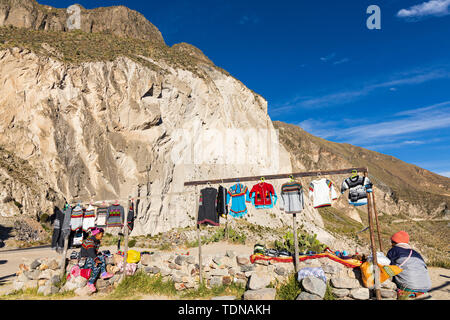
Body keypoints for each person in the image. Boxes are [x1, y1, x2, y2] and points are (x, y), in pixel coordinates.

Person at [386, 231, 432, 299]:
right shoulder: (416, 253)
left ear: (395, 242)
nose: (391, 244)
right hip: (425, 287)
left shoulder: (394, 250)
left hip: (408, 288)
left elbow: (388, 268)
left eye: (392, 241)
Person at [80, 227, 113, 292]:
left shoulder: (96, 241)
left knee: (101, 257)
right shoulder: (90, 241)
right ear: (97, 234)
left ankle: (103, 273)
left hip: (91, 258)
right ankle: (90, 283)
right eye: (101, 234)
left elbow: (94, 253)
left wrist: (97, 257)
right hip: (85, 260)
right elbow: (91, 252)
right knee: (97, 267)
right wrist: (96, 259)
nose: (102, 236)